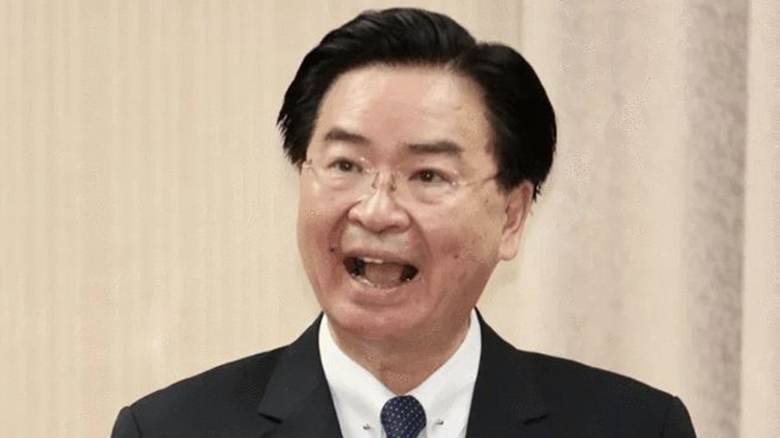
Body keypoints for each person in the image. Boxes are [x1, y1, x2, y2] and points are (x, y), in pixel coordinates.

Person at [111, 7, 697, 438]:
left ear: (511, 216)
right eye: (346, 165)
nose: (376, 210)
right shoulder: (168, 431)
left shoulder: (637, 428)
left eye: (428, 175)